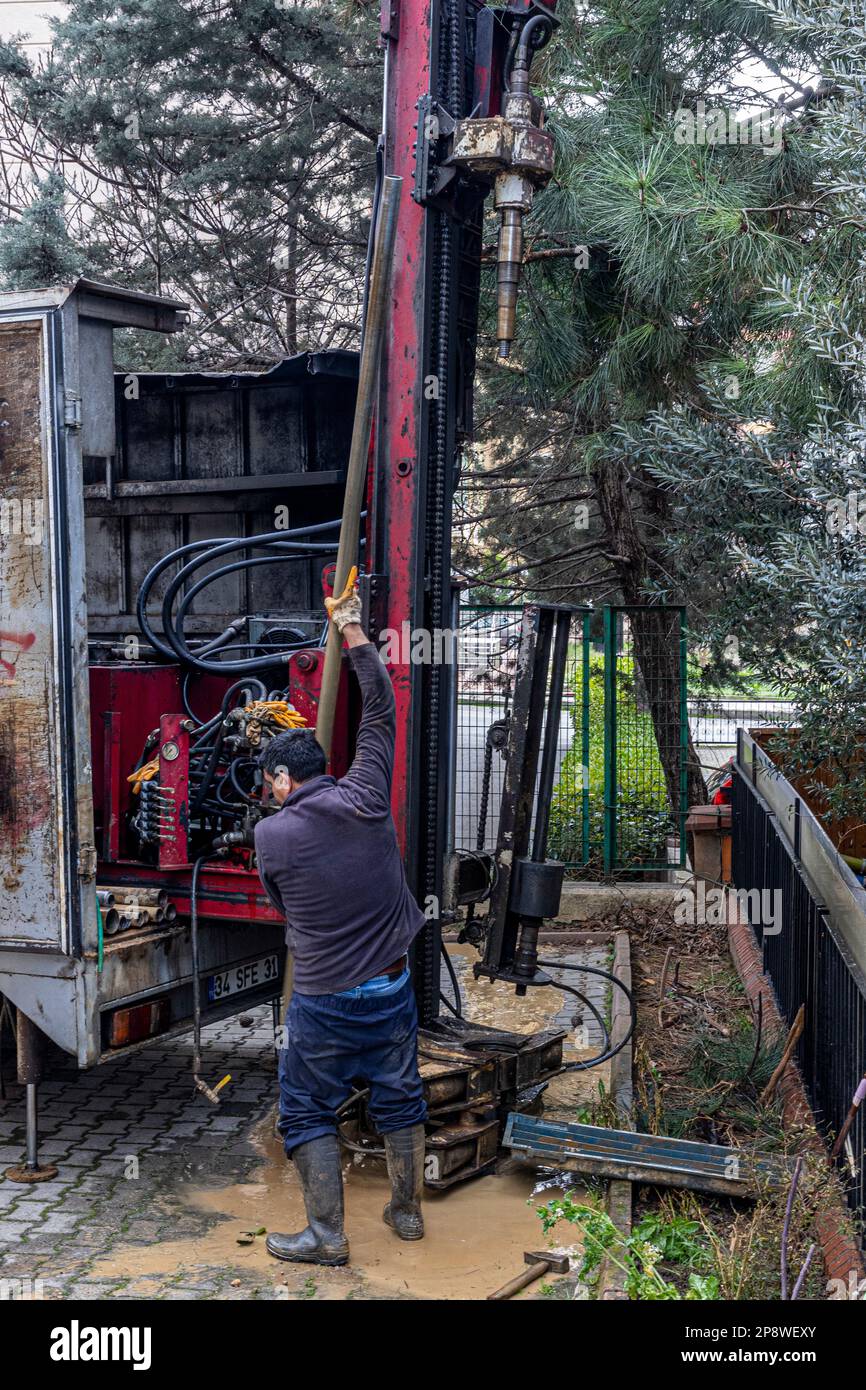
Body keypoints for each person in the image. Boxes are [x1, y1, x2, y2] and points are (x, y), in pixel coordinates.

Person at [254, 570, 427, 1266]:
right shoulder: (365, 791)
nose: (268, 790)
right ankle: (407, 1214)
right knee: (400, 1095)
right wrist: (352, 626)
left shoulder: (272, 836)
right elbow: (381, 709)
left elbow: (280, 905)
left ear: (284, 782)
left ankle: (327, 1237)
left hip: (323, 1001)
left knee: (305, 1109)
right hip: (391, 988)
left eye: (269, 781)